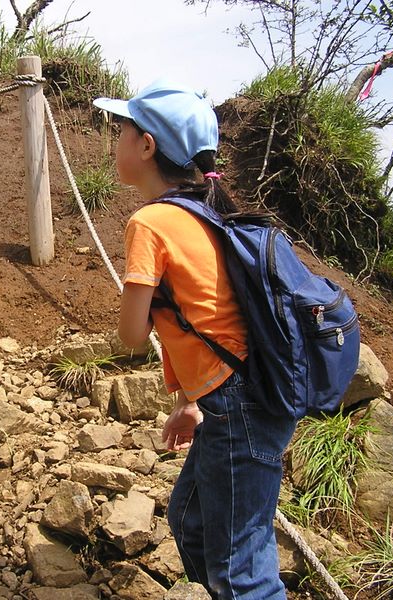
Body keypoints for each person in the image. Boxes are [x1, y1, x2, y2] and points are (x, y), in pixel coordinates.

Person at [94, 80, 297, 599]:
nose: (116, 141)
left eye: (122, 130)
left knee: (241, 570)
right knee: (190, 522)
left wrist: (139, 301)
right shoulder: (207, 212)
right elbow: (210, 319)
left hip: (238, 407)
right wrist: (189, 401)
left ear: (146, 146)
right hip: (243, 397)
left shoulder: (151, 223)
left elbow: (132, 336)